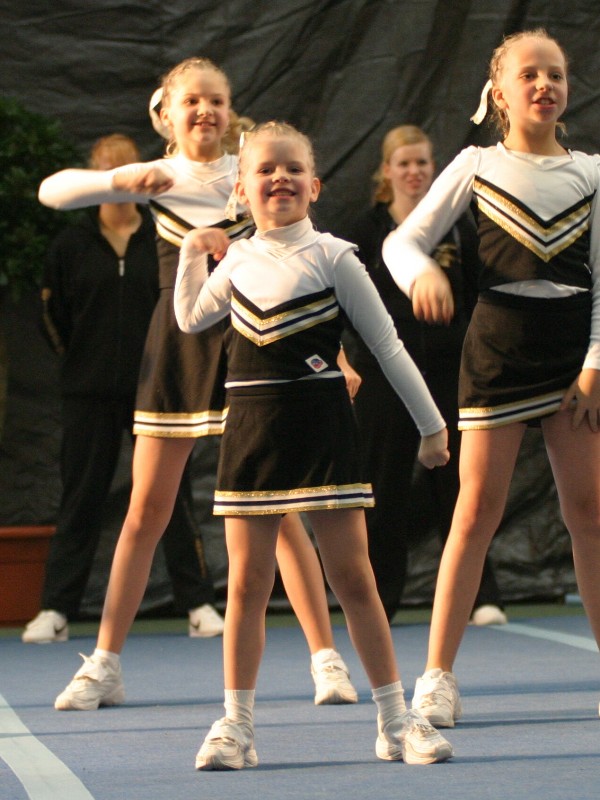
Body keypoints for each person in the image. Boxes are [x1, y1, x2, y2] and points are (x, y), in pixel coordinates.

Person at [37, 58, 357, 710]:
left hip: (257, 347)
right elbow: (52, 191)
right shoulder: (158, 178)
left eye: (215, 99)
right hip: (178, 351)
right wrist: (120, 178)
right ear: (167, 115)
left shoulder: (252, 170)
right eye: (192, 101)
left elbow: (304, 267)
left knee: (279, 511)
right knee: (145, 511)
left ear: (230, 108)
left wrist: (341, 354)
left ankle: (326, 659)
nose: (205, 110)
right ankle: (104, 664)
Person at [174, 120, 454, 770]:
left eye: (293, 168)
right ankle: (236, 725)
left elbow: (387, 346)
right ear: (241, 190)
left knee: (353, 577)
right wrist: (191, 249)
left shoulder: (334, 256)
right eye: (265, 169)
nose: (280, 178)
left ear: (315, 185)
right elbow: (190, 318)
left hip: (324, 432)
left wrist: (432, 425)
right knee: (247, 583)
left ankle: (395, 719)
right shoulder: (236, 261)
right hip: (252, 435)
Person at [382, 29, 600, 727]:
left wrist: (594, 365)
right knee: (474, 511)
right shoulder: (476, 164)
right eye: (528, 74)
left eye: (555, 74)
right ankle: (437, 677)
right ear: (498, 92)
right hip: (498, 349)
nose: (544, 84)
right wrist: (421, 273)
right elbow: (401, 241)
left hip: (574, 359)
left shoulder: (593, 172)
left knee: (590, 515)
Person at [23, 133, 223, 644]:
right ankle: (56, 609)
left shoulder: (162, 233)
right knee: (81, 497)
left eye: (126, 170)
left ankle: (198, 603)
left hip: (155, 390)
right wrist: (82, 364)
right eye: (108, 172)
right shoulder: (70, 245)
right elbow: (52, 316)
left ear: (141, 175)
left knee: (171, 497)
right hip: (88, 394)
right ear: (98, 177)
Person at [343, 125, 506, 626]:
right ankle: (380, 601)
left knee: (461, 484)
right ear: (386, 172)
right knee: (383, 487)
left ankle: (480, 595)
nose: (414, 172)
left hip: (449, 373)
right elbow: (343, 301)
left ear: (434, 169)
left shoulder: (455, 227)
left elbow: (478, 296)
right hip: (384, 375)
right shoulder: (367, 231)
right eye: (404, 163)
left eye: (422, 163)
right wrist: (347, 360)